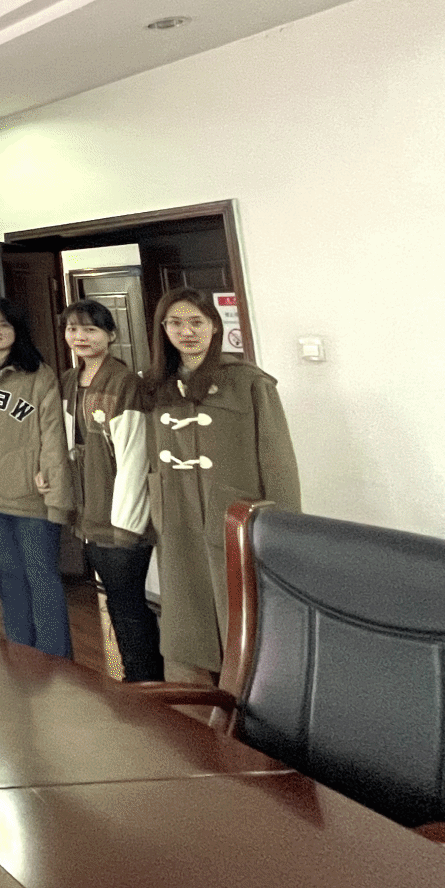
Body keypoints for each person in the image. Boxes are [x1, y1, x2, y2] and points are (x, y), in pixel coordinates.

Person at [145, 286, 301, 674]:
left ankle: (253, 697)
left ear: (214, 326)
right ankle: (192, 700)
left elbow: (278, 462)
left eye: (196, 322)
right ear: (163, 329)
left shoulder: (249, 382)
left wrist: (283, 528)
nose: (187, 332)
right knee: (186, 621)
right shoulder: (155, 385)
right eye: (175, 323)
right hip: (178, 517)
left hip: (234, 516)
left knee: (246, 620)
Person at [0, 297, 74, 658]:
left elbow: (53, 436)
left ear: (18, 330)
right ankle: (21, 655)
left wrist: (56, 494)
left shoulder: (39, 375)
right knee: (9, 574)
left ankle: (55, 662)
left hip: (31, 495)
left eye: (4, 324)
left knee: (41, 576)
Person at [59, 299, 161, 682]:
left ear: (111, 335)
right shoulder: (69, 380)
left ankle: (146, 682)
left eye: (90, 329)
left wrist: (126, 524)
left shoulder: (124, 383)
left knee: (127, 604)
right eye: (73, 329)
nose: (80, 337)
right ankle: (134, 679)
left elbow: (135, 458)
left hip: (120, 519)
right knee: (116, 603)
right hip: (89, 513)